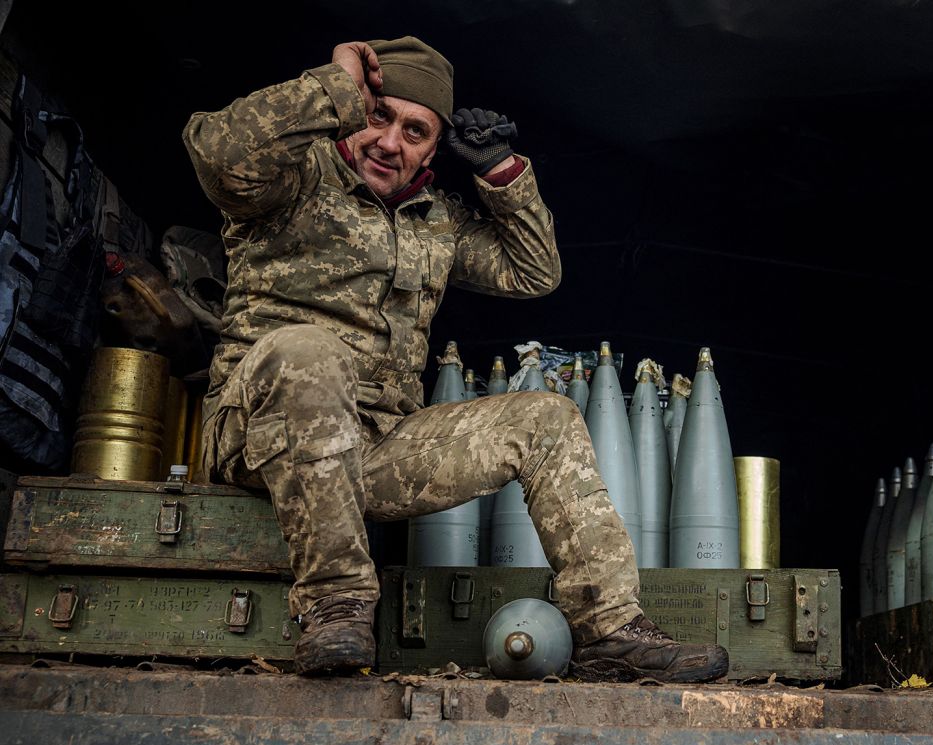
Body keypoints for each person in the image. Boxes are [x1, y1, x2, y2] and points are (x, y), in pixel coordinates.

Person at [182, 37, 728, 682]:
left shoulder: (434, 221)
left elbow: (534, 272)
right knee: (309, 349)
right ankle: (336, 605)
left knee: (547, 419)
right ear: (354, 111)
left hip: (375, 446)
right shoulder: (290, 179)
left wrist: (501, 173)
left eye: (416, 132)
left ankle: (610, 630)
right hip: (258, 435)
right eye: (379, 117)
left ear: (433, 150)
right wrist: (332, 86)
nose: (390, 143)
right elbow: (216, 152)